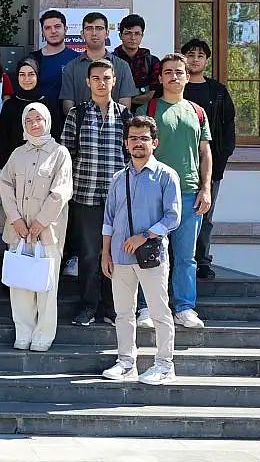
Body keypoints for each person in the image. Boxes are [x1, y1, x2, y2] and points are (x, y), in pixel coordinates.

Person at [101, 116, 182, 386]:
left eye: (144, 138)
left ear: (154, 142)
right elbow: (108, 218)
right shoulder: (117, 178)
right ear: (126, 143)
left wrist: (144, 236)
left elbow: (173, 217)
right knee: (123, 312)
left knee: (159, 311)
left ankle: (165, 365)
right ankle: (126, 363)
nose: (138, 143)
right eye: (133, 138)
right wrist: (105, 253)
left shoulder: (166, 175)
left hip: (151, 256)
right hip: (119, 255)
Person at [135, 52, 212, 330]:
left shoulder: (197, 112)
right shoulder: (149, 110)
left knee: (186, 256)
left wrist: (206, 187)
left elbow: (205, 152)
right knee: (149, 252)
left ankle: (184, 308)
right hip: (154, 192)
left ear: (187, 76)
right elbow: (137, 149)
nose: (174, 76)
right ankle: (146, 307)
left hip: (190, 193)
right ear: (160, 77)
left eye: (179, 72)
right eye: (168, 72)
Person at [60, 59, 132, 327]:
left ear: (114, 81)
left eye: (106, 78)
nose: (102, 83)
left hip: (118, 200)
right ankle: (88, 306)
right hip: (85, 196)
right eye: (96, 78)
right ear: (88, 82)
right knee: (89, 255)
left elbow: (131, 158)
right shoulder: (77, 114)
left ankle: (113, 308)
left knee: (116, 254)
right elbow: (66, 155)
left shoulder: (126, 116)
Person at [0, 102, 72, 352]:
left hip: (47, 233)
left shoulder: (60, 153)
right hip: (18, 233)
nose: (34, 124)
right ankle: (23, 332)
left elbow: (61, 192)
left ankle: (43, 335)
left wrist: (40, 222)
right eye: (29, 120)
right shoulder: (18, 154)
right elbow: (5, 185)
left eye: (38, 119)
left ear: (47, 121)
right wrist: (16, 219)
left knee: (46, 287)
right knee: (20, 286)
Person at [181, 38, 237, 280]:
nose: (195, 60)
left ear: (206, 61)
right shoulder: (175, 87)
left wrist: (221, 158)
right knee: (175, 213)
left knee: (205, 215)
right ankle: (174, 259)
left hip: (210, 164)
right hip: (178, 162)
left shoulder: (218, 91)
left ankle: (202, 260)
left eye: (200, 56)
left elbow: (228, 127)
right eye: (190, 55)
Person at [60, 12, 137, 114]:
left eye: (99, 28)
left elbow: (125, 106)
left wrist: (107, 121)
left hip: (114, 123)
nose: (94, 33)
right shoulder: (71, 67)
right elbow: (68, 106)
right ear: (82, 34)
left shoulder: (122, 66)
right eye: (89, 28)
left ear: (107, 34)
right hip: (80, 123)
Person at [0, 59, 54, 165]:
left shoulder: (49, 104)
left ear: (37, 76)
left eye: (31, 74)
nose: (27, 79)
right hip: (15, 165)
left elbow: (55, 135)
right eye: (22, 75)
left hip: (44, 164)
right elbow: (3, 140)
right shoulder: (10, 105)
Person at [31, 10, 80, 132]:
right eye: (48, 28)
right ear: (43, 32)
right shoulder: (33, 60)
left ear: (66, 29)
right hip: (39, 124)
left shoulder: (78, 59)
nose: (53, 31)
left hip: (69, 125)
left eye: (57, 26)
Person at [113, 14, 162, 108]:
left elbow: (154, 94)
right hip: (116, 112)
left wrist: (126, 98)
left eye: (137, 33)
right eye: (128, 33)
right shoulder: (111, 61)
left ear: (142, 35)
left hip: (146, 112)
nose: (133, 38)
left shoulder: (152, 61)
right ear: (120, 35)